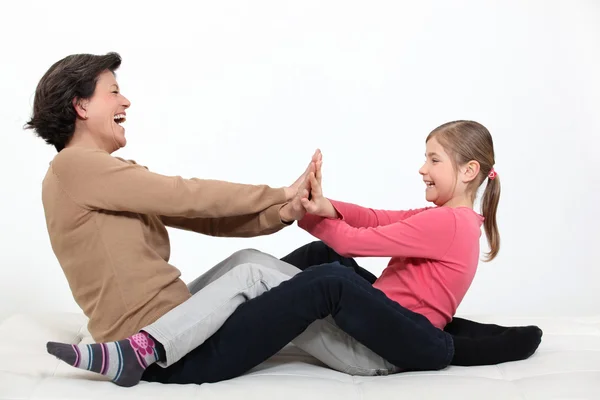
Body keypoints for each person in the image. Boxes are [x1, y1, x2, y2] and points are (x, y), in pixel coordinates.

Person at [30, 52, 541, 387]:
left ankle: (284, 299)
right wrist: (292, 201)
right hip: (160, 340)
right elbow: (183, 195)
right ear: (80, 106)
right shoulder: (77, 167)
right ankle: (136, 352)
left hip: (178, 318)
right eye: (112, 90)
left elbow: (201, 217)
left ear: (470, 172)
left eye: (434, 160)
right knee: (288, 273)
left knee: (257, 263)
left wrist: (288, 211)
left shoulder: (95, 174)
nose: (126, 100)